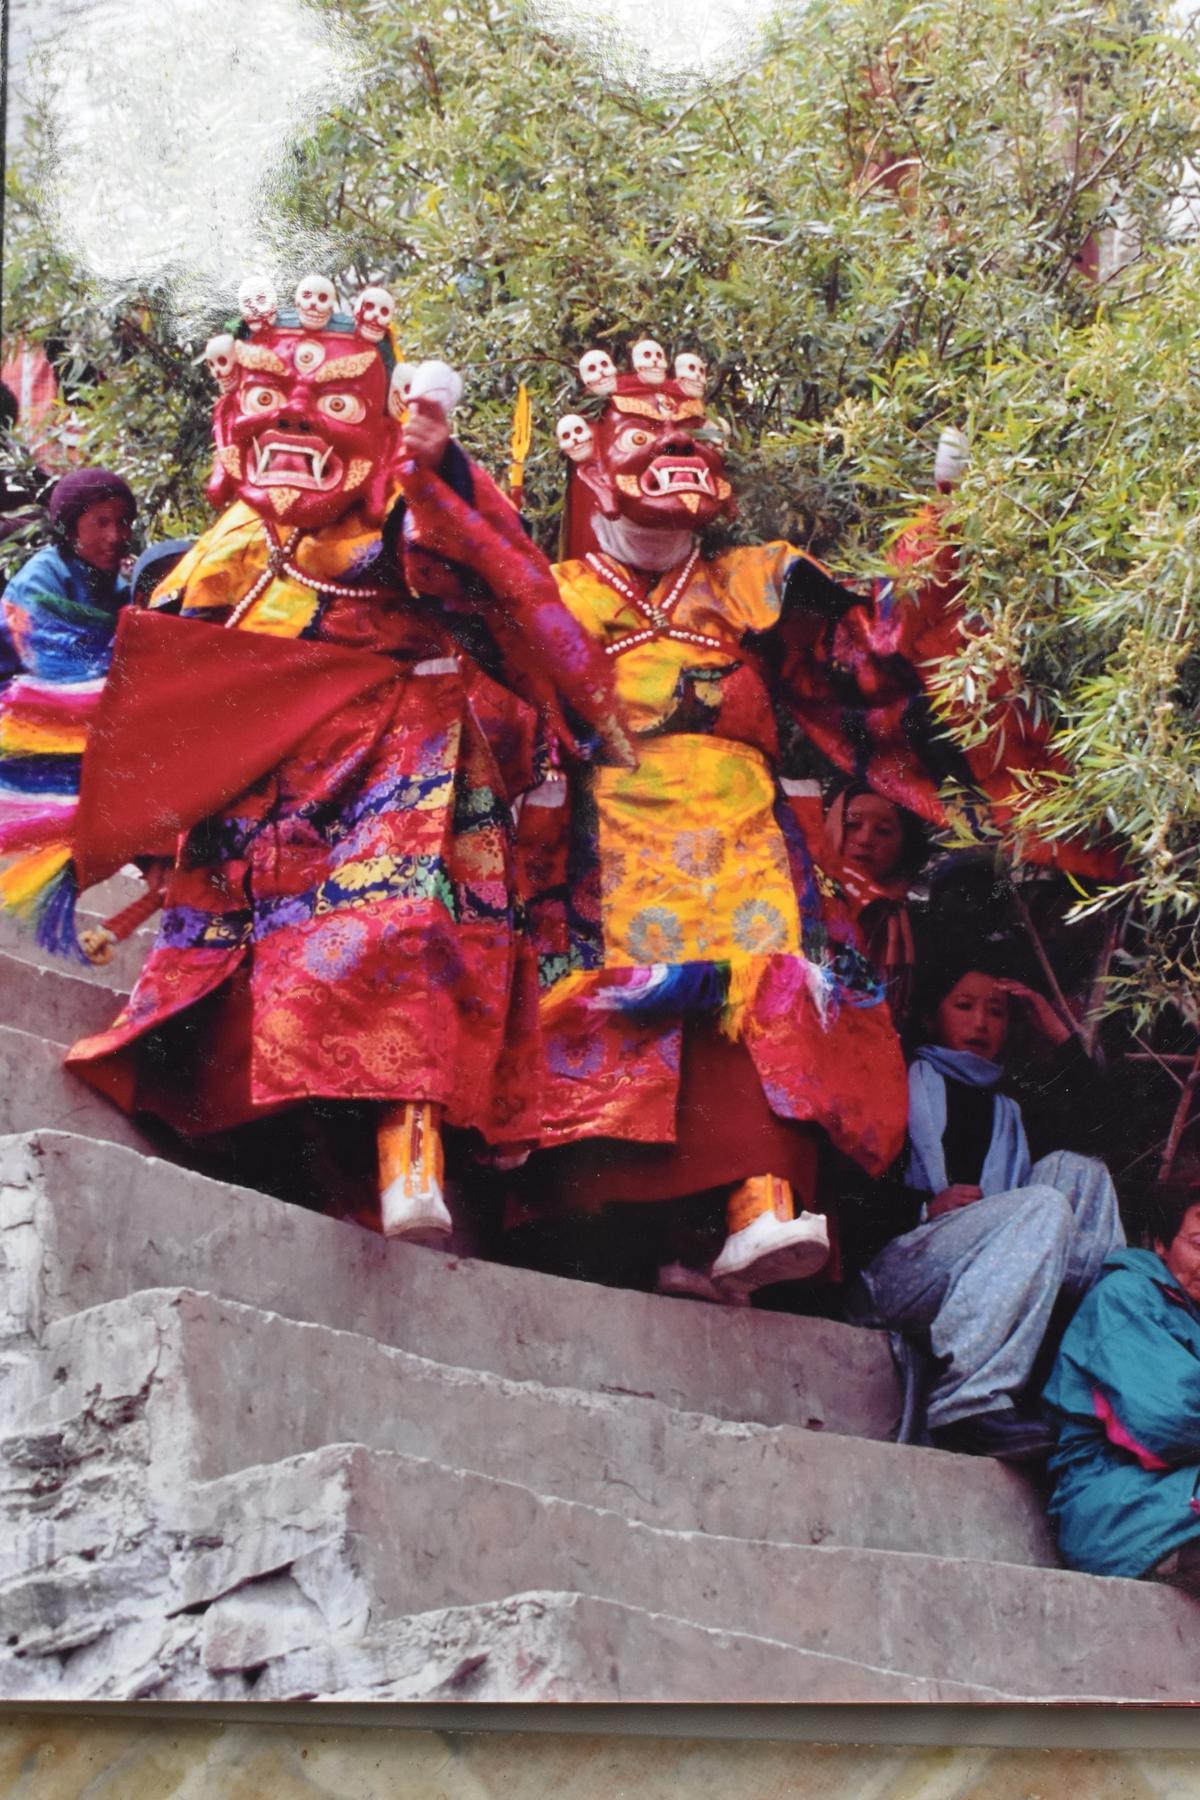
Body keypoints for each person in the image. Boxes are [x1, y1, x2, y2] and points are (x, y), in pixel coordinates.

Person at [50, 277, 629, 1240]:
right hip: (268, 786)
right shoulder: (234, 540)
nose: (295, 423)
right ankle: (297, 1162)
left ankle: (414, 1155)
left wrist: (442, 465)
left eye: (330, 405)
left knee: (404, 936)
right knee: (259, 973)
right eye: (271, 402)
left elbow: (489, 566)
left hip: (405, 763)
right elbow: (176, 667)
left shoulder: (395, 512)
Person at [517, 340, 968, 1305]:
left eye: (691, 434)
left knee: (769, 1004)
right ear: (591, 465)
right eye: (644, 434)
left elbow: (869, 656)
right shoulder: (558, 593)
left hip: (747, 841)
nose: (676, 449)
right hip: (615, 832)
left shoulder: (752, 582)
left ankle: (760, 1213)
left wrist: (936, 527)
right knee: (624, 1013)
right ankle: (651, 1242)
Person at [847, 950, 1125, 1459]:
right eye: (965, 1006)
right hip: (896, 1273)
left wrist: (1056, 1031)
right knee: (1040, 1206)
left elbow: (1103, 1126)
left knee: (1082, 1174)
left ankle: (1071, 1378)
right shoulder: (898, 1078)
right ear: (933, 1015)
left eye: (996, 1012)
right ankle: (966, 1402)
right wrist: (923, 1210)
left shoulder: (1011, 1105)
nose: (981, 1023)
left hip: (984, 1278)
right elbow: (844, 1188)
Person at [0, 468, 138, 949]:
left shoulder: (116, 588)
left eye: (122, 523)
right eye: (100, 522)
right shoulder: (41, 578)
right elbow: (50, 664)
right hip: (22, 723)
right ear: (69, 526)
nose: (115, 536)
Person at [1043, 1179, 1200, 1589]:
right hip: (1115, 1507)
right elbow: (1170, 1422)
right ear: (1161, 1245)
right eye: (1198, 1242)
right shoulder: (1125, 1297)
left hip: (1172, 1498)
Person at [825, 781, 929, 1029]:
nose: (865, 839)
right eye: (852, 825)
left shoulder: (916, 930)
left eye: (883, 831)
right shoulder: (796, 898)